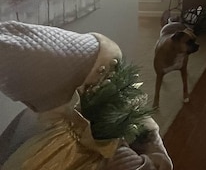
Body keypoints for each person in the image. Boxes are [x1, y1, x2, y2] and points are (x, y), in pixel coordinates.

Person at [0, 21, 172, 170]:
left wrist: (147, 161)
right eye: (110, 77)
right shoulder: (46, 140)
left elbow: (154, 145)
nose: (119, 83)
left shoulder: (123, 104)